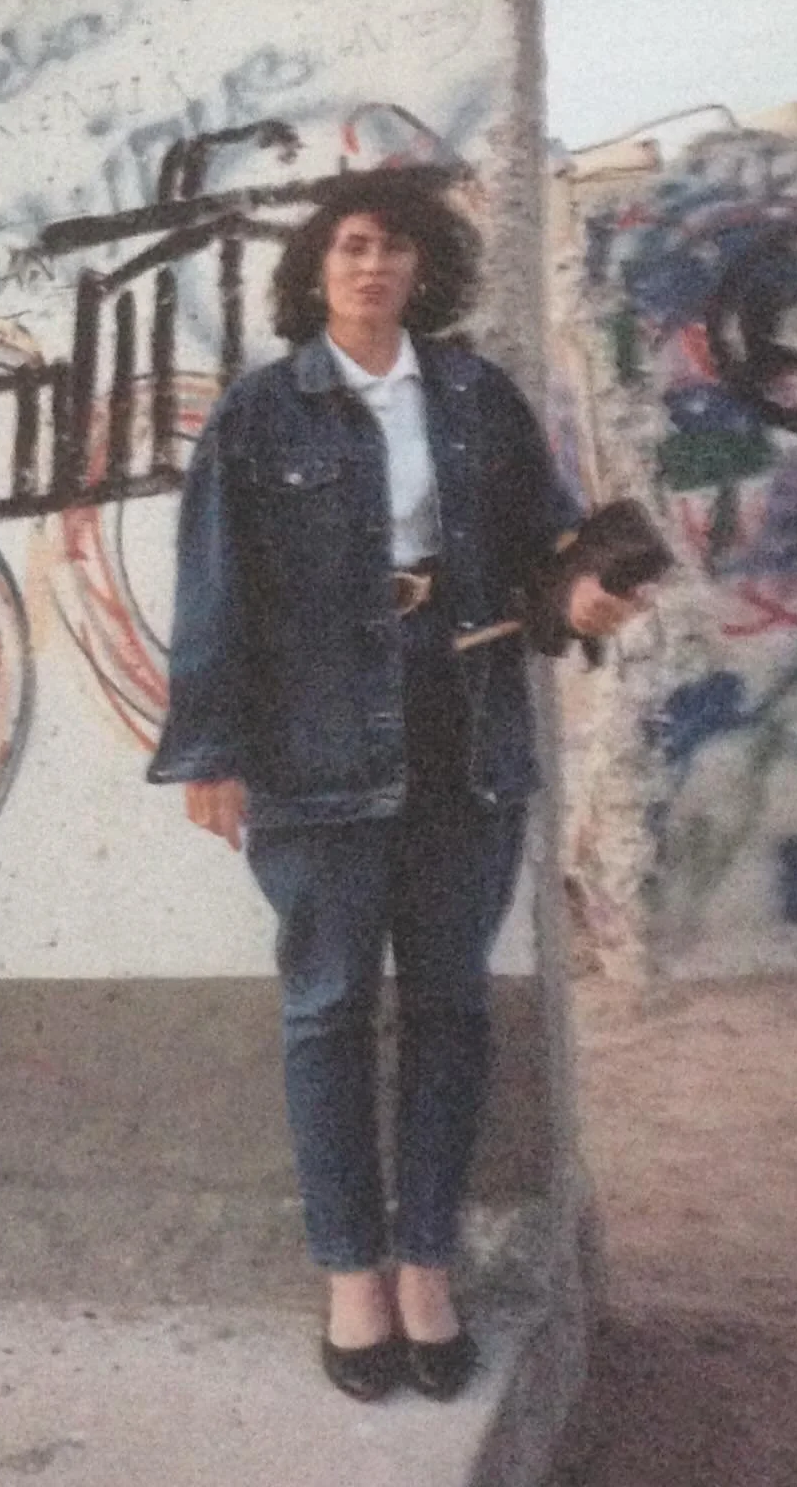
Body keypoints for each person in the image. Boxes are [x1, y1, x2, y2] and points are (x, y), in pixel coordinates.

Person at [147, 171, 644, 1403]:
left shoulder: (476, 397)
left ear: (425, 271)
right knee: (324, 1007)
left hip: (464, 724)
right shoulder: (263, 415)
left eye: (396, 248)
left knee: (449, 1007)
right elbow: (212, 587)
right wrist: (207, 748)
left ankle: (426, 1260)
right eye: (352, 246)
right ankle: (349, 1273)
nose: (374, 266)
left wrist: (585, 589)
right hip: (312, 734)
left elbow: (552, 539)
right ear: (317, 268)